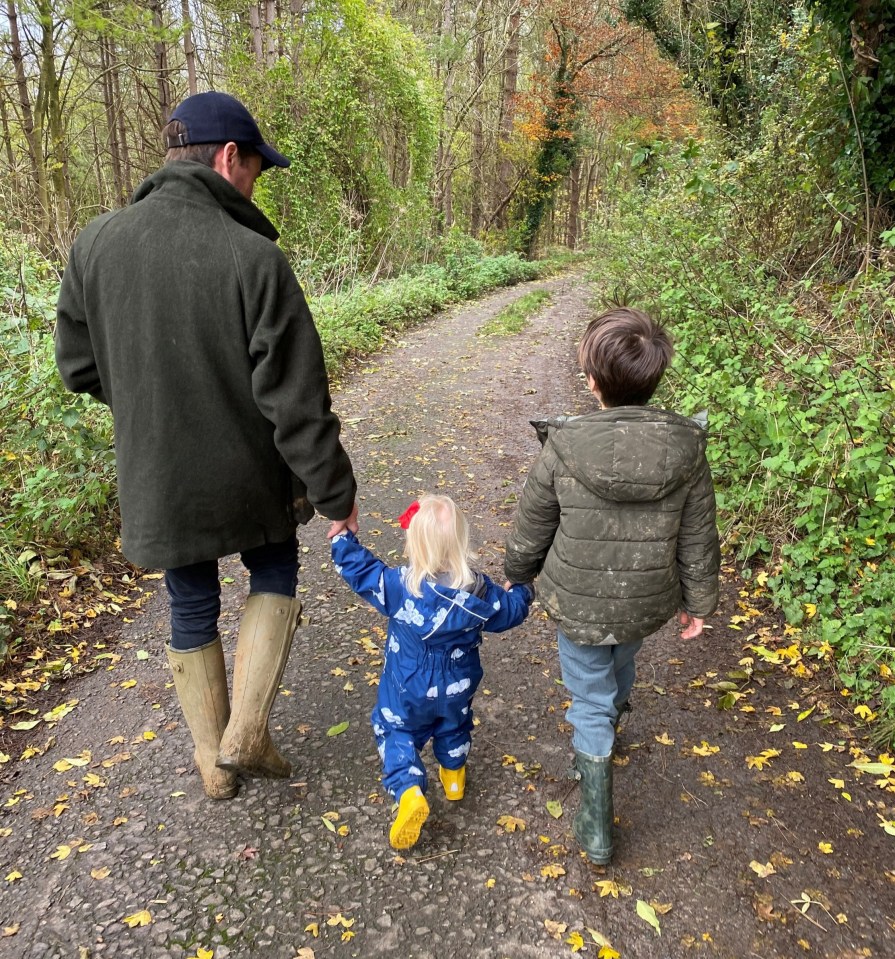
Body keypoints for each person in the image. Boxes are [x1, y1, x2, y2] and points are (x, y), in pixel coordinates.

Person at [55, 91, 358, 800]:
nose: (254, 184)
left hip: (157, 470)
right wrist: (334, 492)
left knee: (189, 600)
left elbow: (77, 366)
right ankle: (247, 729)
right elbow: (296, 398)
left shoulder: (95, 243)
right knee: (274, 566)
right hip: (250, 470)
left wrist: (145, 402)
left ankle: (211, 763)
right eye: (255, 170)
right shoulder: (254, 258)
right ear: (227, 158)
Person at [504, 307, 720, 864]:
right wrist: (699, 601)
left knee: (589, 696)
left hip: (578, 603)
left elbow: (534, 523)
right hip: (645, 598)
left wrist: (517, 575)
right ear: (654, 378)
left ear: (593, 381)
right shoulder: (687, 448)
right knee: (620, 663)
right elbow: (698, 532)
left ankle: (596, 821)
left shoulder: (565, 445)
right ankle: (610, 722)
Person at [330, 495, 534, 849]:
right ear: (460, 542)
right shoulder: (479, 591)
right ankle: (453, 777)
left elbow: (361, 572)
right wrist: (523, 591)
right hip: (459, 682)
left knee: (394, 727)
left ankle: (409, 792)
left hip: (410, 684)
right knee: (453, 723)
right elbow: (511, 612)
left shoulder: (400, 586)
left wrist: (341, 539)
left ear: (414, 544)